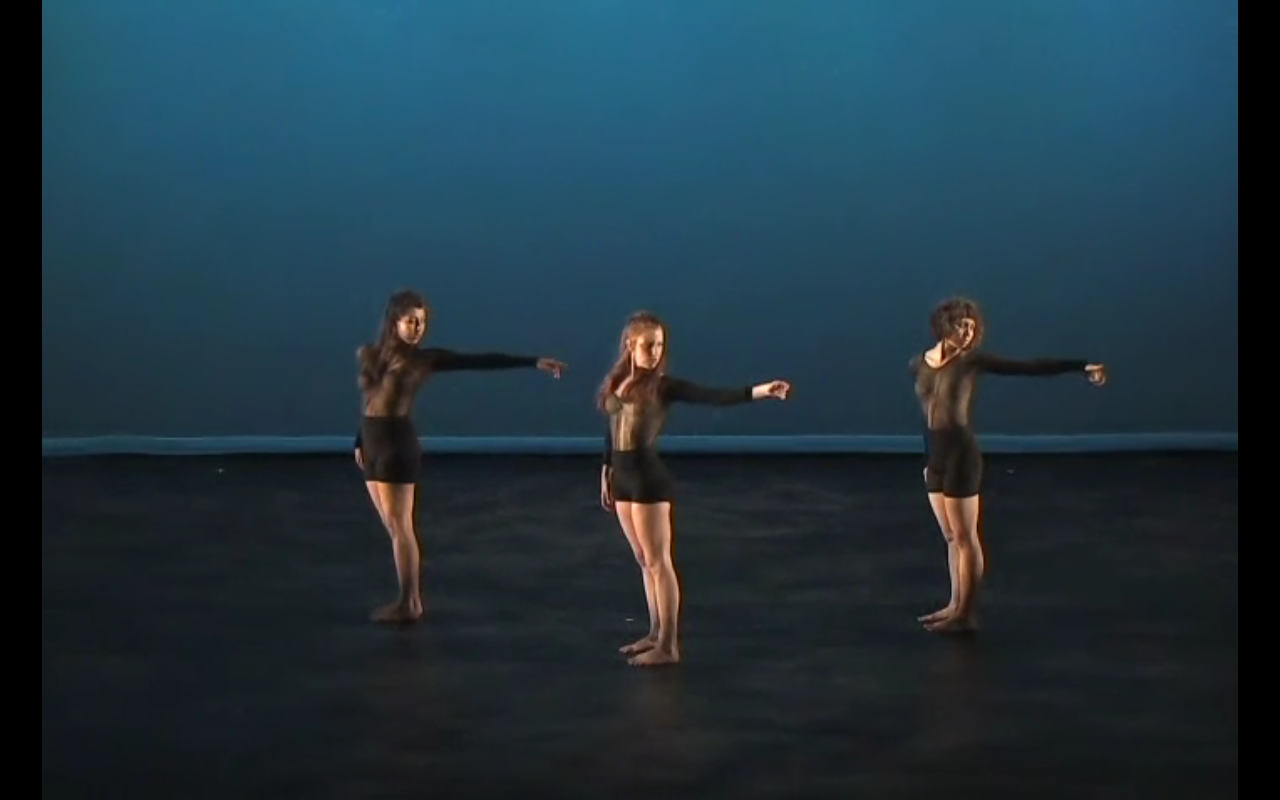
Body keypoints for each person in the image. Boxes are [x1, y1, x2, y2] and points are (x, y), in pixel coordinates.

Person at [353, 289, 567, 624]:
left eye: (422, 323)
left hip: (397, 444)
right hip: (372, 442)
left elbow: (480, 361)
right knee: (391, 526)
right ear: (394, 322)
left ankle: (410, 602)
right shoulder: (373, 355)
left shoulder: (425, 360)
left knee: (400, 526)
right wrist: (359, 439)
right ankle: (408, 599)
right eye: (411, 322)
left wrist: (532, 361)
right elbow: (372, 400)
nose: (418, 329)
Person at [598, 311, 792, 666]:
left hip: (647, 480)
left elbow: (713, 396)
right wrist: (606, 469)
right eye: (648, 345)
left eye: (660, 345)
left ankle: (668, 646)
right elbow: (612, 429)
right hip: (622, 479)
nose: (655, 352)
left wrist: (761, 391)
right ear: (630, 345)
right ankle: (654, 633)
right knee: (643, 560)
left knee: (659, 562)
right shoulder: (618, 383)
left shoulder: (664, 387)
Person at [911, 296, 1107, 634]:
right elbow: (928, 416)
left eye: (972, 328)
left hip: (961, 455)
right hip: (936, 458)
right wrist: (929, 461)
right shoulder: (920, 363)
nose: (968, 333)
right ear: (945, 325)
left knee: (965, 537)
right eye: (962, 326)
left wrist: (1081, 365)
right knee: (950, 537)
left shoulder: (973, 361)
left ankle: (966, 615)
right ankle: (954, 605)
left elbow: (1030, 367)